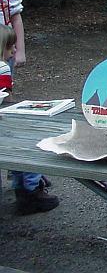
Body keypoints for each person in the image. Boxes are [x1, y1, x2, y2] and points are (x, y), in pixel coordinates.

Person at [0, 24, 59, 215]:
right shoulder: (2, 68)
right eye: (11, 47)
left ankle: (23, 188)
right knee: (27, 142)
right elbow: (6, 97)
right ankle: (31, 190)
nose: (14, 51)